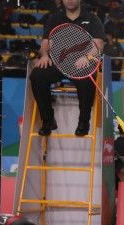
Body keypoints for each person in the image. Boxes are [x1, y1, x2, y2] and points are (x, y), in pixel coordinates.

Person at [30, 0, 104, 137]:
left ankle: (83, 122)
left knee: (88, 79)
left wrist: (87, 57)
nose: (70, 0)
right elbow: (45, 43)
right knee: (37, 76)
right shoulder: (54, 18)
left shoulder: (92, 19)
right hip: (58, 63)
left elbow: (98, 45)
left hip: (82, 64)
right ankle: (48, 121)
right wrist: (44, 55)